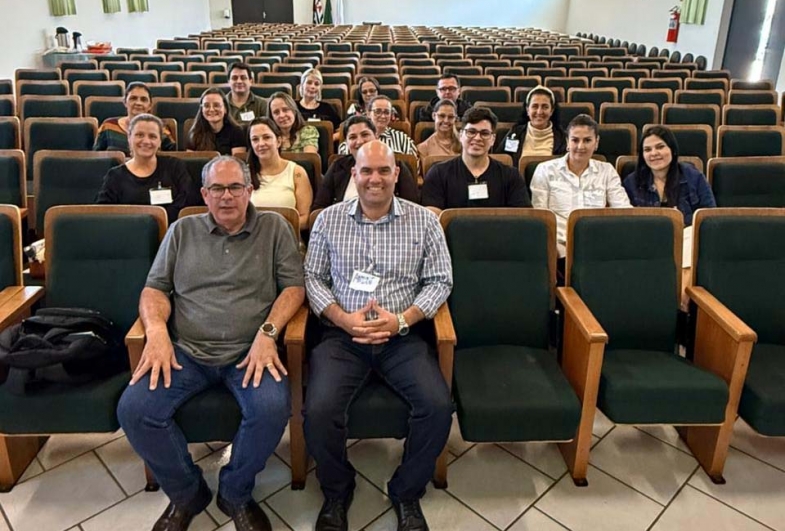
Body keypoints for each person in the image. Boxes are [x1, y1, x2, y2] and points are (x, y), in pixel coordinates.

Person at [117, 155, 305, 531]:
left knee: (271, 408)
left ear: (250, 191)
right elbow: (155, 289)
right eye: (217, 188)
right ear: (204, 193)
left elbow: (294, 288)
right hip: (187, 351)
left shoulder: (274, 228)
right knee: (135, 410)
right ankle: (188, 495)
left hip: (249, 351)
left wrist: (269, 334)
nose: (226, 196)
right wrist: (156, 333)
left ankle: (235, 493)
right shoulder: (182, 231)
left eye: (235, 187)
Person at [304, 140, 453, 531]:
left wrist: (402, 320)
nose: (375, 178)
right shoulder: (328, 220)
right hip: (343, 335)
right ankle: (338, 490)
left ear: (396, 174)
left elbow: (440, 282)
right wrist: (342, 318)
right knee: (318, 411)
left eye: (383, 170)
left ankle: (406, 491)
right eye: (366, 170)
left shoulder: (424, 222)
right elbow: (313, 279)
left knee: (437, 407)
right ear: (353, 174)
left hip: (401, 336)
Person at [531, 114, 631, 258]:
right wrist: (555, 247)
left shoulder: (607, 170)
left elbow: (623, 211)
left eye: (587, 140)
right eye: (575, 140)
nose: (580, 146)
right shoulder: (545, 170)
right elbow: (540, 216)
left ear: (596, 142)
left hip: (598, 244)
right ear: (567, 142)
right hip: (558, 246)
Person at [421, 106, 531, 214]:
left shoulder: (511, 176)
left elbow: (522, 219)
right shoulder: (438, 173)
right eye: (471, 132)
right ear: (461, 136)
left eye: (484, 133)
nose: (477, 138)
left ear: (493, 139)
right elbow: (431, 217)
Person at [96, 113, 191, 222]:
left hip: (172, 233)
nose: (146, 141)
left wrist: (158, 222)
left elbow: (187, 202)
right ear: (129, 138)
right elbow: (103, 212)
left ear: (160, 141)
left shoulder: (175, 167)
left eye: (152, 136)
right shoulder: (115, 176)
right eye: (140, 135)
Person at [313, 115, 419, 210]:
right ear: (346, 143)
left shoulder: (395, 164)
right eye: (352, 137)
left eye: (365, 135)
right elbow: (320, 206)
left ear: (376, 136)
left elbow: (412, 206)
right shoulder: (338, 166)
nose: (359, 141)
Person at [623, 125, 716, 226]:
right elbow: (627, 222)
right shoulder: (631, 182)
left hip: (686, 237)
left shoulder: (694, 177)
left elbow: (709, 218)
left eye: (660, 147)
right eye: (647, 150)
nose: (653, 153)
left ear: (672, 149)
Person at [247, 117, 313, 229]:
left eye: (266, 137)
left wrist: (274, 229)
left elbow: (305, 219)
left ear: (278, 141)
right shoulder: (244, 174)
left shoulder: (297, 172)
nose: (261, 143)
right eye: (255, 139)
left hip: (287, 235)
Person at [93, 82, 176, 156]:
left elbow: (172, 156)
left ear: (150, 105)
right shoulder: (109, 126)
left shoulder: (160, 128)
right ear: (125, 102)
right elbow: (97, 158)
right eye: (133, 98)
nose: (138, 103)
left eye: (143, 99)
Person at [494, 85, 567, 163]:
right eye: (535, 106)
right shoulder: (515, 134)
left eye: (545, 107)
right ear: (527, 110)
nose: (539, 112)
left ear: (551, 111)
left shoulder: (562, 137)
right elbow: (501, 161)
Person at [338, 96, 417, 157]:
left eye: (386, 112)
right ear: (368, 113)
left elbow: (413, 167)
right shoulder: (352, 141)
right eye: (377, 111)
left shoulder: (403, 139)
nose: (382, 116)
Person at [186, 88, 247, 157]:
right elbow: (190, 162)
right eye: (206, 106)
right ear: (201, 110)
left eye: (216, 105)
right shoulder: (194, 133)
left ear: (225, 109)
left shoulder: (237, 132)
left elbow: (237, 163)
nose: (211, 109)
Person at [224, 62, 268, 126]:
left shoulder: (263, 104)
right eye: (234, 78)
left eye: (243, 78)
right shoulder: (221, 104)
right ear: (229, 82)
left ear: (251, 81)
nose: (239, 81)